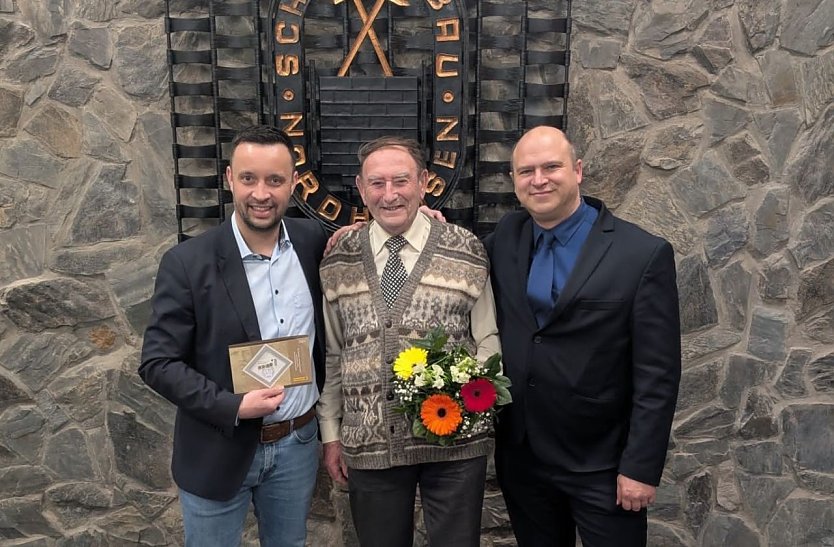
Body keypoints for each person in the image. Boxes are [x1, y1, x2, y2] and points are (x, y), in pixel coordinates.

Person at [487, 126, 681, 547]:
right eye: (526, 171)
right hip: (523, 456)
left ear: (578, 171)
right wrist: (421, 222)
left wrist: (640, 468)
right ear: (515, 182)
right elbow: (455, 252)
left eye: (551, 167)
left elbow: (657, 374)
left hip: (604, 465)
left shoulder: (641, 254)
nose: (539, 179)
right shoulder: (505, 238)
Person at [139, 126, 328, 547]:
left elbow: (370, 241)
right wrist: (231, 406)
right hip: (217, 446)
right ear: (229, 179)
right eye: (249, 179)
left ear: (293, 184)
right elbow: (157, 363)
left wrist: (425, 214)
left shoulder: (312, 240)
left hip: (297, 443)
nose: (261, 193)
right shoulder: (187, 263)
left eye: (275, 180)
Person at [316, 136, 501, 547]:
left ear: (423, 183)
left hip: (455, 442)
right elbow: (334, 352)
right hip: (370, 443)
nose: (390, 194)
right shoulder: (339, 257)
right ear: (361, 190)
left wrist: (473, 403)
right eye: (376, 184)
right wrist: (331, 433)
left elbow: (487, 338)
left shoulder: (465, 248)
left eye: (401, 181)